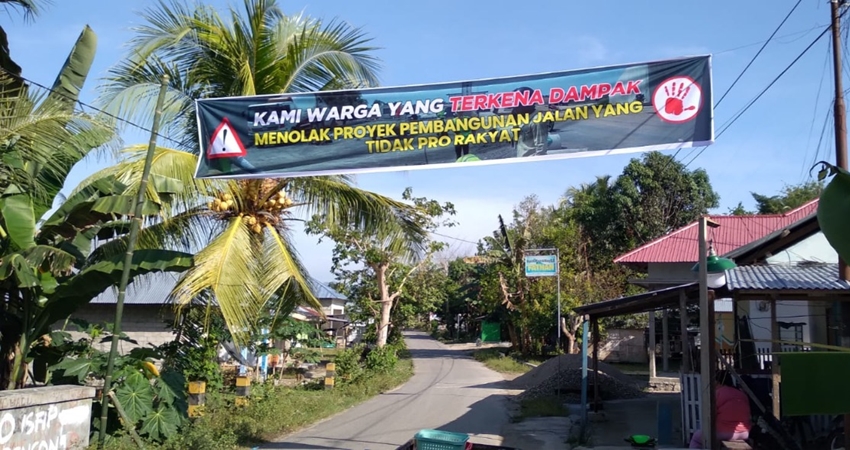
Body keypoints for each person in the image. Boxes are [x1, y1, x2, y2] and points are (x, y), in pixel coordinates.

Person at [689, 370, 752, 448]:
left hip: (725, 433)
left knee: (696, 437)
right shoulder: (742, 394)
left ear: (718, 382)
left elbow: (710, 415)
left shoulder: (717, 394)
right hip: (745, 433)